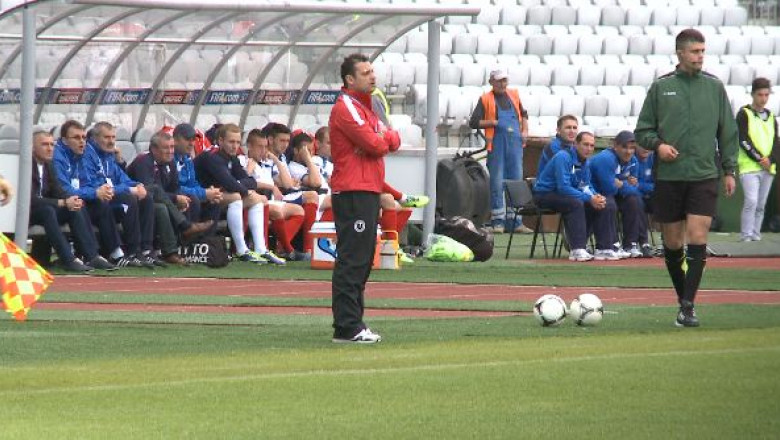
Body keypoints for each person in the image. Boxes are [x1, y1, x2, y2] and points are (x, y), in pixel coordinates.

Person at [635, 28, 738, 328]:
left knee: (698, 236)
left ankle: (688, 306)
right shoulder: (661, 87)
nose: (700, 57)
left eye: (703, 51)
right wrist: (659, 146)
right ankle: (684, 301)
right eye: (695, 52)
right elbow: (643, 130)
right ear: (680, 53)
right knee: (671, 242)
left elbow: (728, 133)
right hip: (669, 175)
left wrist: (729, 170)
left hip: (704, 174)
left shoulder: (715, 87)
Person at [329, 53, 401, 343]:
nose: (373, 76)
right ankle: (346, 327)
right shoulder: (346, 107)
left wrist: (381, 139)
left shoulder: (367, 107)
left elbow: (392, 140)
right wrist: (380, 140)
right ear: (350, 79)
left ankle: (354, 323)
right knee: (353, 259)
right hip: (353, 190)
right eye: (366, 73)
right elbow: (375, 143)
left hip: (367, 189)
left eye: (373, 71)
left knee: (361, 259)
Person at [194, 123, 285, 265]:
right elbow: (230, 183)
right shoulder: (212, 157)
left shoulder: (232, 157)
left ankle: (261, 249)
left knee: (257, 200)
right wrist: (245, 190)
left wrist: (244, 188)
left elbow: (250, 181)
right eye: (231, 142)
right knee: (237, 197)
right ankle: (242, 250)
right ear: (220, 141)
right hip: (200, 198)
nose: (234, 146)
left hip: (218, 196)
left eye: (237, 142)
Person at [52, 120, 138, 267]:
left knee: (101, 204)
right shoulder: (58, 158)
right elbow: (64, 189)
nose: (82, 142)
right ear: (65, 141)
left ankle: (117, 253)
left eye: (84, 137)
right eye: (77, 138)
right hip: (58, 204)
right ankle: (92, 255)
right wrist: (95, 192)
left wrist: (97, 192)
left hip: (77, 201)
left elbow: (88, 184)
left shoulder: (79, 156)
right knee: (81, 204)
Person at [29, 130, 116, 272]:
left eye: (52, 144)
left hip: (45, 210)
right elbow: (29, 200)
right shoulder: (26, 165)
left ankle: (92, 255)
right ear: (32, 147)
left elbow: (58, 191)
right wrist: (61, 203)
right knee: (48, 210)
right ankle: (68, 259)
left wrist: (71, 200)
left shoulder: (48, 165)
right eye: (45, 144)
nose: (50, 148)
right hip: (27, 214)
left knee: (76, 206)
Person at [127, 131, 214, 265]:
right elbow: (148, 192)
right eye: (166, 148)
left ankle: (183, 247)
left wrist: (180, 199)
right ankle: (175, 242)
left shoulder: (170, 163)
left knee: (191, 199)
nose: (170, 151)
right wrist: (174, 199)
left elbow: (175, 189)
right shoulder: (143, 161)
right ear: (154, 149)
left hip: (158, 201)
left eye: (172, 147)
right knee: (160, 205)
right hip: (137, 203)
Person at [83, 122, 161, 267]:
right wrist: (128, 189)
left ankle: (145, 250)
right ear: (94, 138)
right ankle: (132, 251)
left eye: (113, 137)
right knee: (129, 199)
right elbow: (99, 186)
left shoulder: (108, 155)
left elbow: (122, 178)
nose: (111, 141)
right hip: (98, 201)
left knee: (146, 198)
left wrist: (137, 185)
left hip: (112, 199)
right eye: (106, 137)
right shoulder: (87, 155)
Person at [469, 68, 533, 234]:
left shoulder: (514, 95)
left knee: (516, 180)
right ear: (491, 82)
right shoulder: (485, 99)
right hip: (496, 146)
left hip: (515, 145)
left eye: (504, 80)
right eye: (499, 81)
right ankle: (498, 221)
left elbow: (524, 114)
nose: (502, 84)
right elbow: (474, 122)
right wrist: (493, 123)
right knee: (497, 182)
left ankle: (515, 221)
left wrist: (525, 131)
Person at [533, 132, 612, 262]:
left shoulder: (585, 162)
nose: (589, 148)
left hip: (563, 195)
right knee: (576, 203)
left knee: (602, 203)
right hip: (544, 195)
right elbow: (563, 187)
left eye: (592, 146)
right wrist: (589, 198)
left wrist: (595, 196)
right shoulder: (563, 157)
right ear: (575, 144)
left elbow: (585, 185)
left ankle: (603, 248)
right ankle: (577, 249)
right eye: (585, 144)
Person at [242, 128, 309, 261]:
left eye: (265, 147)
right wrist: (271, 186)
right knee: (277, 211)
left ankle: (282, 247)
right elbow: (244, 182)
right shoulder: (243, 161)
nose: (263, 150)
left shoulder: (267, 163)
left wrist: (276, 160)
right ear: (249, 146)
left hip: (271, 199)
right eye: (259, 147)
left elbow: (287, 184)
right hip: (254, 199)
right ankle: (286, 250)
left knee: (298, 211)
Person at [588, 131, 644, 259]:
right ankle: (606, 246)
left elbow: (636, 188)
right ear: (615, 146)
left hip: (613, 193)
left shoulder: (633, 160)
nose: (628, 152)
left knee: (634, 200)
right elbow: (609, 188)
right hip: (594, 192)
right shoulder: (606, 159)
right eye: (624, 147)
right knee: (609, 202)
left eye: (632, 148)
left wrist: (621, 184)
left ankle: (630, 245)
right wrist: (625, 184)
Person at [736, 77, 779, 242]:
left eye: (766, 95)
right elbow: (743, 139)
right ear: (753, 94)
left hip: (768, 168)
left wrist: (771, 160)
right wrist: (760, 159)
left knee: (761, 205)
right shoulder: (744, 114)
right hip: (749, 167)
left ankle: (755, 234)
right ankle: (746, 235)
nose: (763, 98)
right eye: (760, 94)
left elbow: (776, 142)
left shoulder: (771, 117)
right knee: (751, 201)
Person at [172, 123, 223, 233]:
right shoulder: (169, 158)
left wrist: (207, 192)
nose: (192, 144)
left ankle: (206, 241)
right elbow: (175, 187)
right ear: (175, 140)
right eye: (187, 139)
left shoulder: (187, 158)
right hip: (174, 196)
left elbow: (193, 183)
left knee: (214, 200)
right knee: (193, 199)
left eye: (193, 140)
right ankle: (188, 237)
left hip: (188, 195)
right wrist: (203, 193)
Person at [634, 144, 656, 257]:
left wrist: (640, 185)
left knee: (667, 200)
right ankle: (644, 243)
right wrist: (648, 187)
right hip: (635, 196)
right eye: (641, 144)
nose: (646, 147)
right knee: (638, 203)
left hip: (651, 195)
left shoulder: (654, 158)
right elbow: (631, 184)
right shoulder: (630, 158)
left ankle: (670, 243)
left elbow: (658, 183)